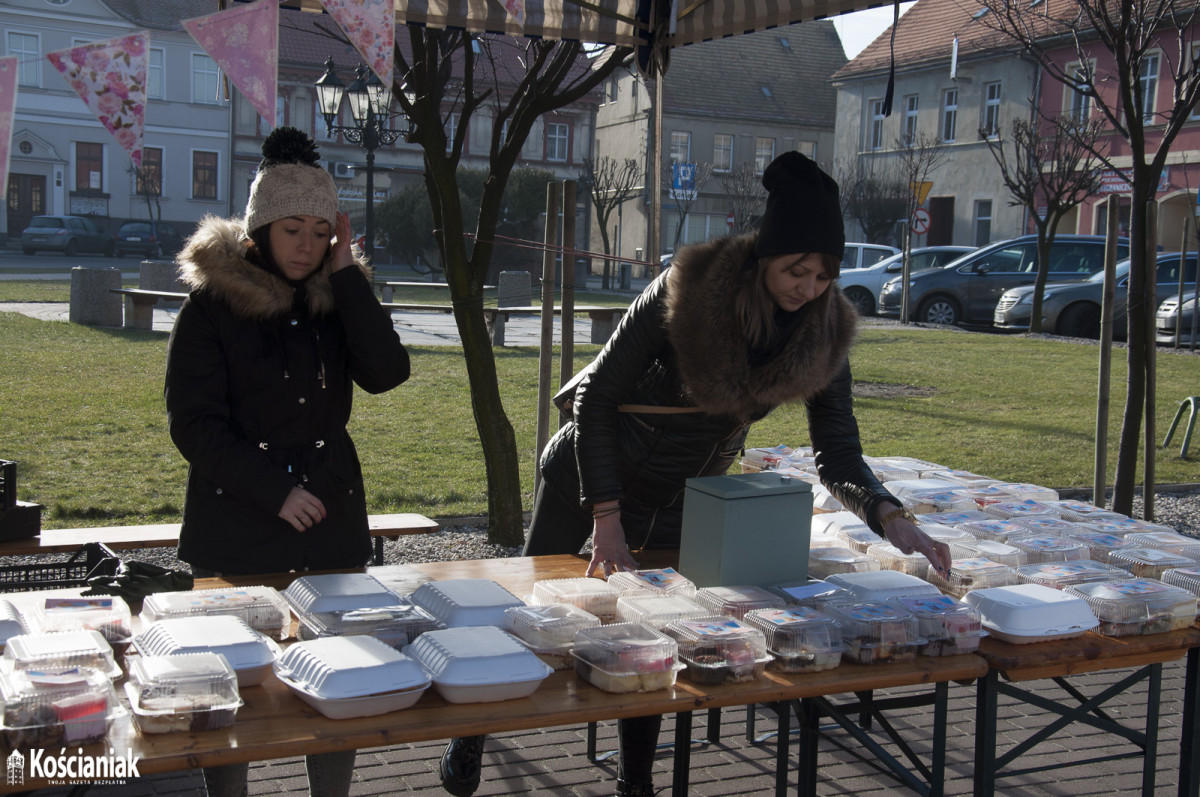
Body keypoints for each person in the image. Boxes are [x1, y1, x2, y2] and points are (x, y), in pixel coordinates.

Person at [438, 152, 952, 797]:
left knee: (652, 631)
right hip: (588, 473)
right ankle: (472, 733)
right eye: (797, 270)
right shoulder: (689, 289)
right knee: (526, 615)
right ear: (767, 255)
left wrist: (892, 517)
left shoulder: (824, 330)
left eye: (823, 275)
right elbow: (596, 398)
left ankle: (636, 782)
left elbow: (839, 455)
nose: (808, 287)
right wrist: (607, 517)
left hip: (686, 493)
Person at [165, 126, 410, 797]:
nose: (305, 245)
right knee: (235, 685)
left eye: (319, 230)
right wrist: (274, 490)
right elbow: (195, 424)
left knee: (341, 674)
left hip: (329, 525)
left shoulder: (335, 297)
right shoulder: (213, 304)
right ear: (259, 230)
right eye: (291, 230)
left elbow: (388, 372)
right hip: (238, 528)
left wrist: (348, 275)